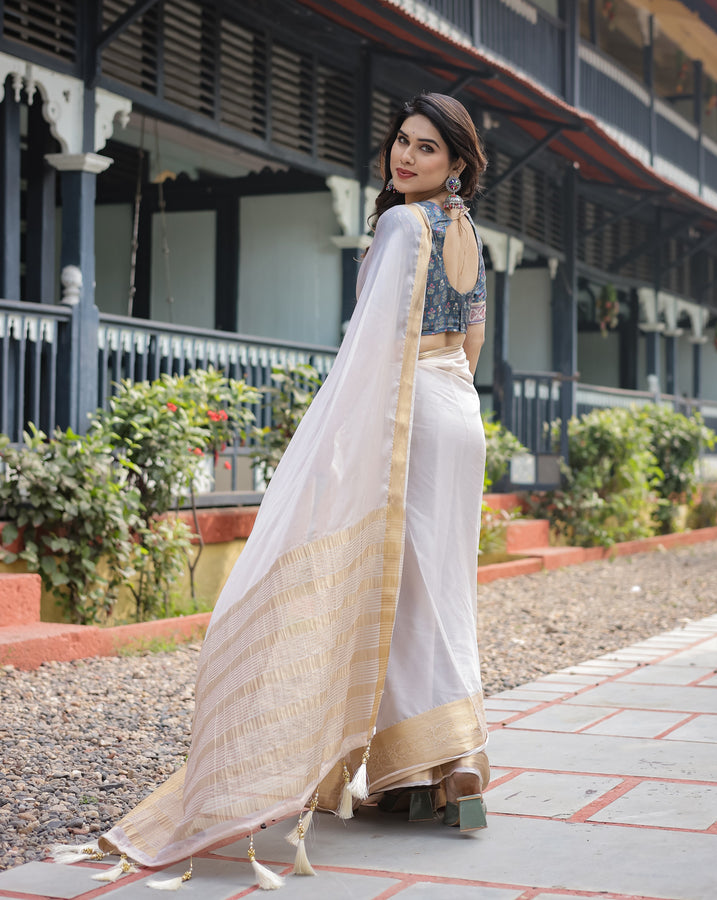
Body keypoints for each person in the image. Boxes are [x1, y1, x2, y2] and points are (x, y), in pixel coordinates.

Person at [94, 92, 490, 883]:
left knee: (400, 590)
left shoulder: (400, 225)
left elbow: (370, 348)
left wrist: (335, 444)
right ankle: (433, 773)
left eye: (426, 149)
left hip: (412, 409)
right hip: (460, 412)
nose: (405, 158)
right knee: (435, 587)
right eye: (401, 143)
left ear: (456, 162)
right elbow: (473, 338)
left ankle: (449, 764)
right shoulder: (468, 232)